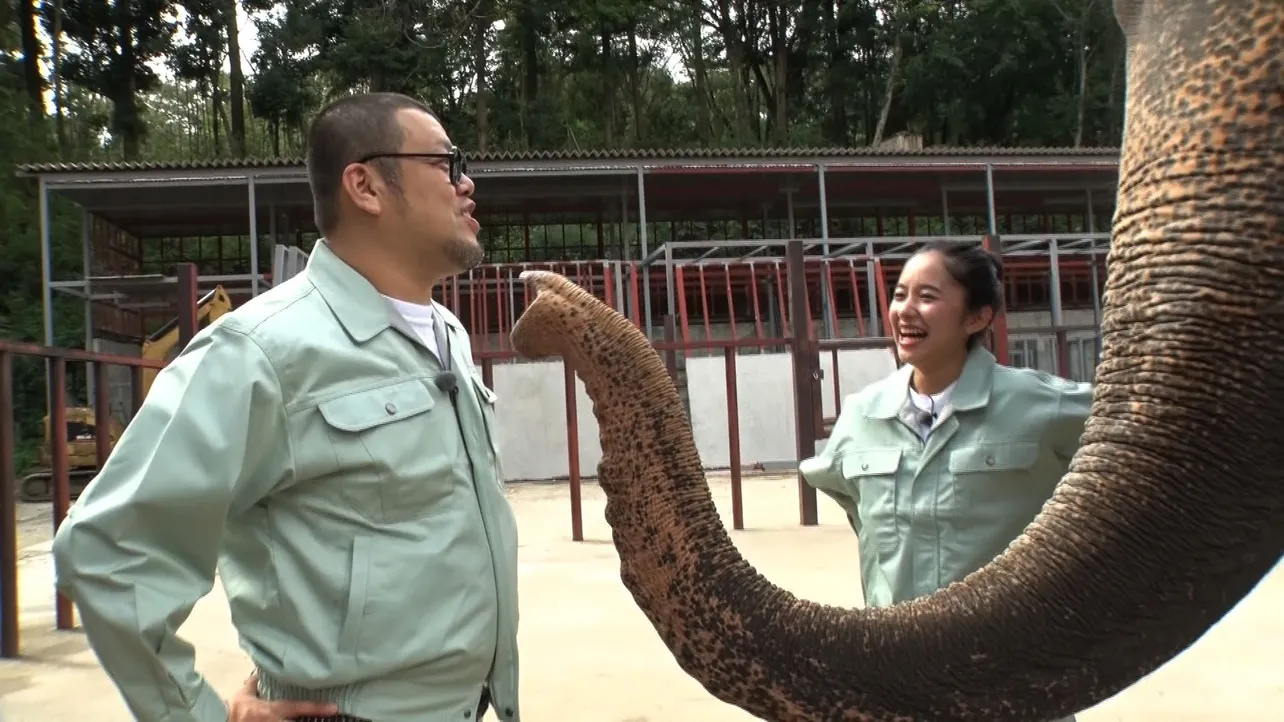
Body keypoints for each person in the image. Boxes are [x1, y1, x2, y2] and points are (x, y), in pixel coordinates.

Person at [52, 92, 520, 722]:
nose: (467, 184)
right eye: (445, 162)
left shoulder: (447, 336)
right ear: (365, 185)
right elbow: (109, 548)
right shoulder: (261, 352)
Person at [799, 240, 1092, 722]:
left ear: (977, 318)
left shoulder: (1041, 406)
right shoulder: (860, 415)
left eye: (928, 296)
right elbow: (847, 497)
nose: (904, 311)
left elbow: (1141, 431)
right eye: (899, 294)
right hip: (896, 682)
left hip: (1011, 683)